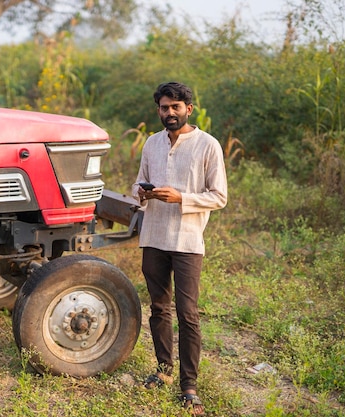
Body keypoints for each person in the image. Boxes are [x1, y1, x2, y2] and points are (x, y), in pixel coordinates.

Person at [132, 82, 227, 416]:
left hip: (187, 240)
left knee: (187, 314)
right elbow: (139, 180)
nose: (169, 113)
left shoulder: (207, 145)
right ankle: (164, 370)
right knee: (159, 309)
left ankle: (189, 386)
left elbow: (219, 196)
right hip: (154, 236)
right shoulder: (152, 143)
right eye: (163, 107)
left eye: (175, 107)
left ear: (189, 108)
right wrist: (141, 192)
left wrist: (182, 198)